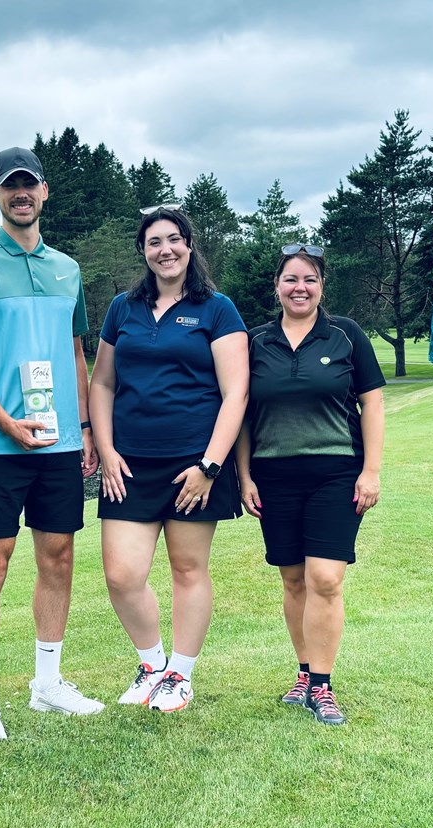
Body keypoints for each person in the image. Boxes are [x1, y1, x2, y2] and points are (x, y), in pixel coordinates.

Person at [0, 147, 102, 740]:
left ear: (44, 191)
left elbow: (77, 350)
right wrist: (6, 422)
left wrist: (84, 427)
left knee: (58, 557)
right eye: (10, 187)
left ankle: (46, 684)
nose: (21, 194)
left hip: (58, 443)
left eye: (29, 185)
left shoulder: (67, 268)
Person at [89, 207, 248, 712]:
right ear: (143, 251)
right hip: (129, 464)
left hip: (194, 465)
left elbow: (236, 393)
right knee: (121, 574)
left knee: (187, 568)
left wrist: (210, 467)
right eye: (155, 241)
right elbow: (102, 382)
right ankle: (152, 664)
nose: (166, 250)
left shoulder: (217, 308)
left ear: (189, 245)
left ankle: (181, 672)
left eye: (174, 240)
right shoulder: (123, 308)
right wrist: (107, 450)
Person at [235, 245, 385, 726]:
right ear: (276, 286)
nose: (300, 288)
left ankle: (321, 685)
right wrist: (243, 477)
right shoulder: (254, 341)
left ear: (322, 286)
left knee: (326, 578)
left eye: (310, 280)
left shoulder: (346, 335)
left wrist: (371, 470)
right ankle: (303, 673)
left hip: (337, 473)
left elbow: (373, 405)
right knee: (293, 579)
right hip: (273, 476)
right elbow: (239, 415)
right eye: (291, 279)